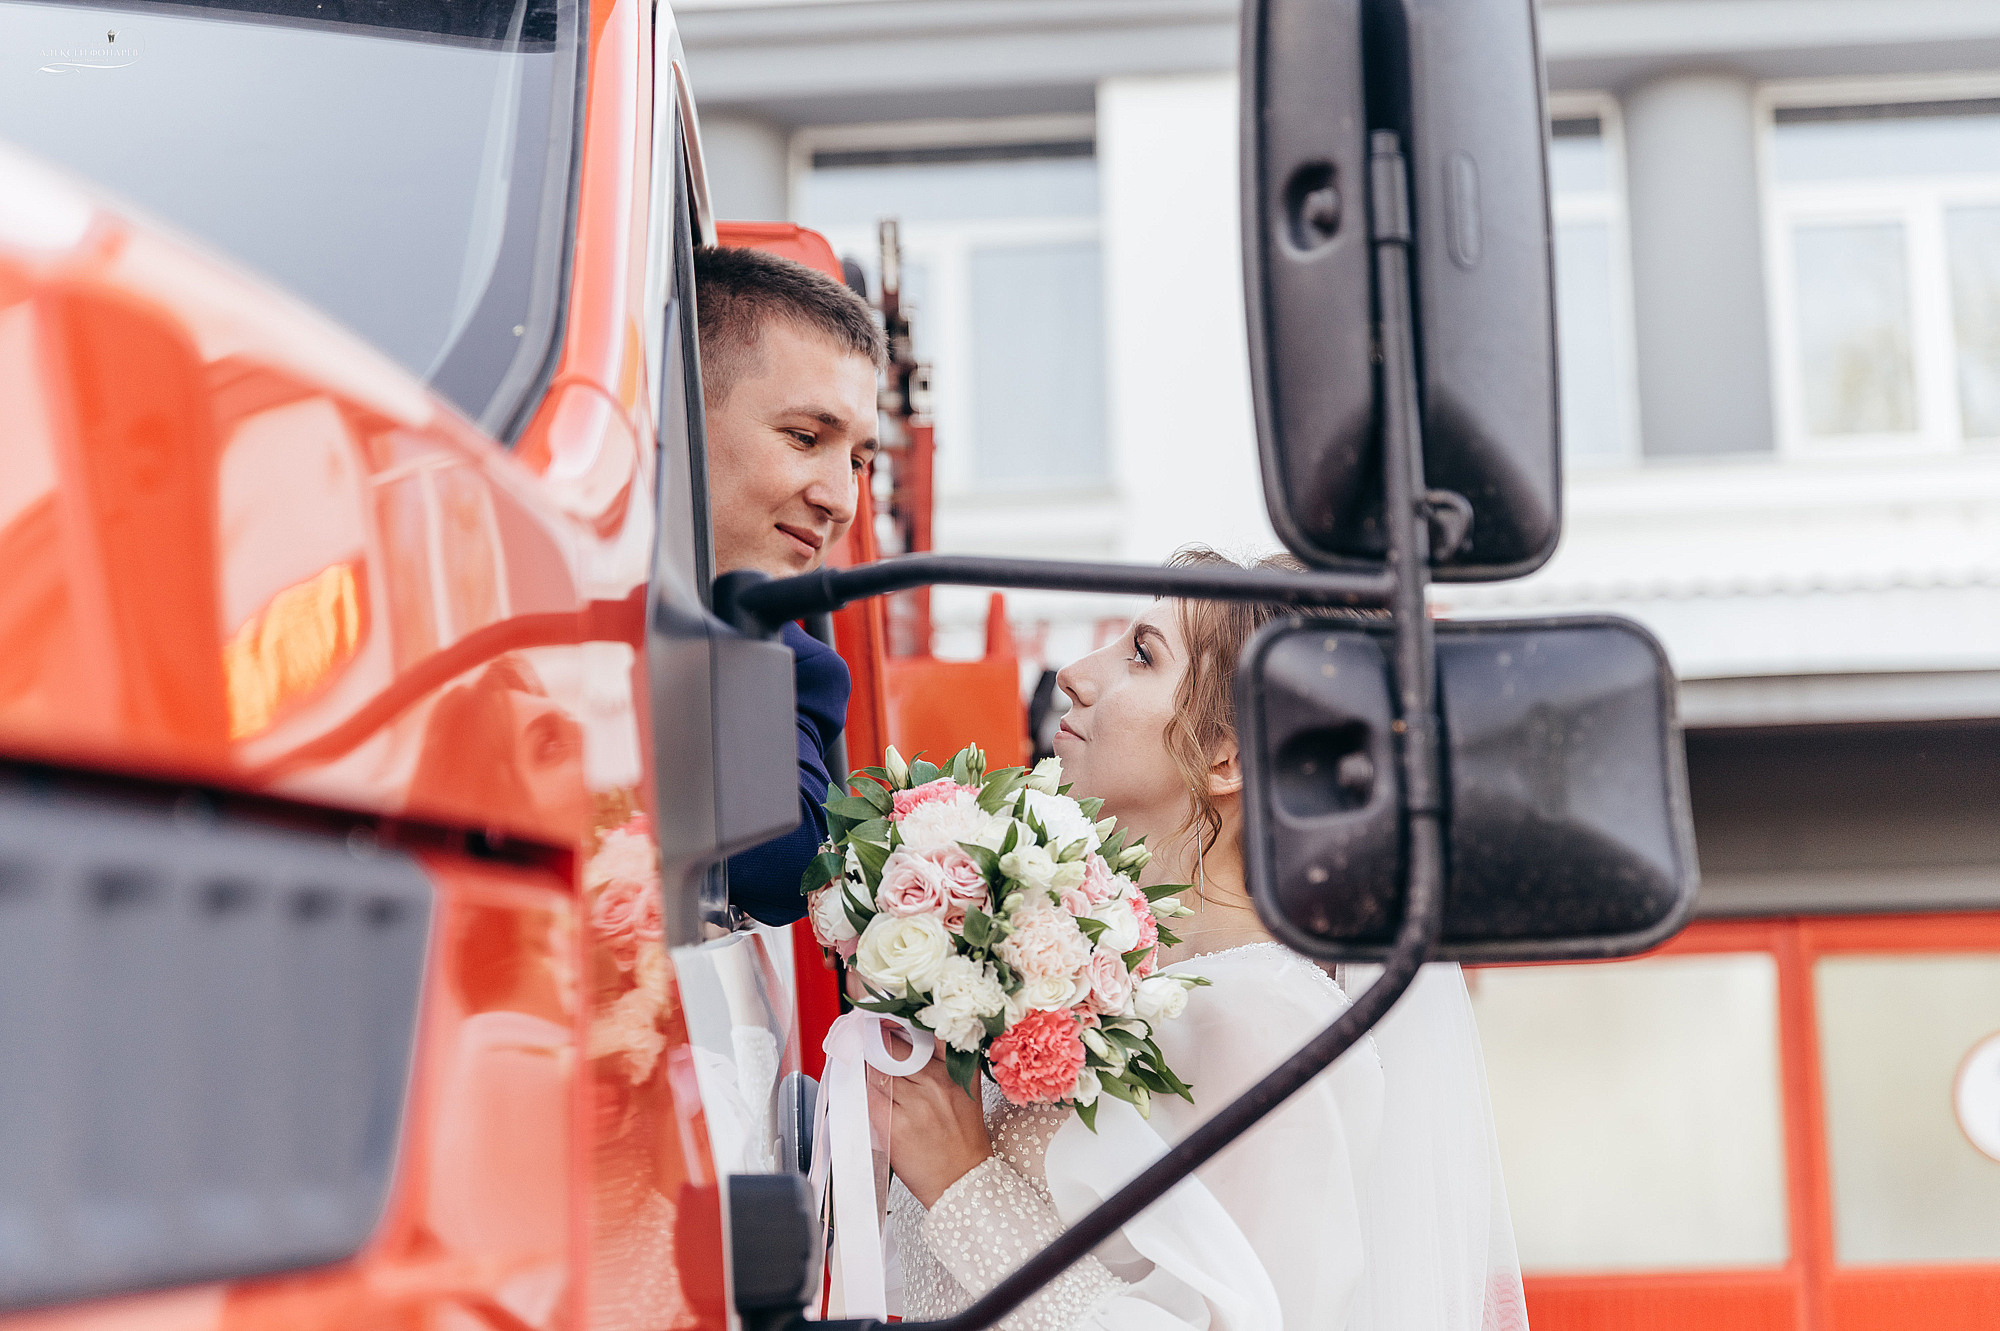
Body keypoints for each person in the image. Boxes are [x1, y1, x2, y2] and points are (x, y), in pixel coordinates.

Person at [880, 548, 1528, 1330]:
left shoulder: (1267, 1022)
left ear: (1228, 754)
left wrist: (964, 1188)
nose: (1075, 675)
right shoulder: (1122, 981)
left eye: (1140, 656)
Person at [694, 245, 885, 926]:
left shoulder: (795, 665)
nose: (841, 500)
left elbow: (783, 862)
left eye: (861, 462)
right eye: (805, 437)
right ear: (679, 415)